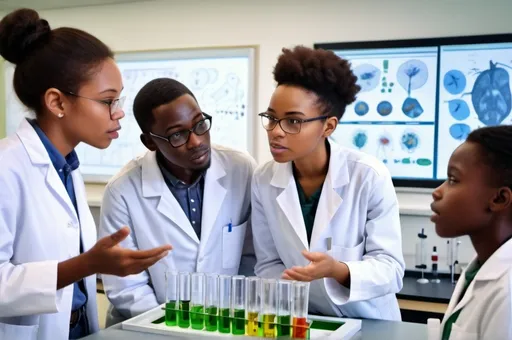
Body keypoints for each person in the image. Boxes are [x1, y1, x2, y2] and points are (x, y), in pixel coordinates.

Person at [0, 9, 172, 340]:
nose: (119, 112)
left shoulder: (66, 168)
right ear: (57, 102)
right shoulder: (7, 167)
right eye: (108, 101)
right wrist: (88, 265)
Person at [251, 46, 405, 320]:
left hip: (369, 322)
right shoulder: (264, 179)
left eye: (293, 121)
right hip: (302, 321)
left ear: (328, 126)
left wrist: (337, 270)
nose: (276, 132)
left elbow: (390, 269)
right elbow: (269, 263)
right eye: (272, 118)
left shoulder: (368, 176)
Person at [99, 77, 257, 326]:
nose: (196, 141)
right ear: (150, 142)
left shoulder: (241, 168)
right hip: (150, 327)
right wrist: (172, 327)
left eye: (200, 125)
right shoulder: (122, 190)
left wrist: (234, 316)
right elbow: (126, 286)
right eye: (177, 135)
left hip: (224, 323)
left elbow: (251, 255)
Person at [431, 125, 512, 340]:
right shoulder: (480, 269)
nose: (437, 192)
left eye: (453, 180)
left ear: (499, 199)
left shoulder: (508, 292)